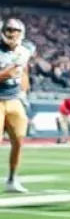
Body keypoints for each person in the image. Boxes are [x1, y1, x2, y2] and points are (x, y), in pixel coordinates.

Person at [0, 17, 34, 193]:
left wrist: (24, 92)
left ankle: (12, 179)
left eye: (15, 30)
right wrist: (8, 72)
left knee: (19, 141)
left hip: (14, 99)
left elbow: (24, 72)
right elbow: (10, 72)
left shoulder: (25, 50)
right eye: (8, 30)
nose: (12, 33)